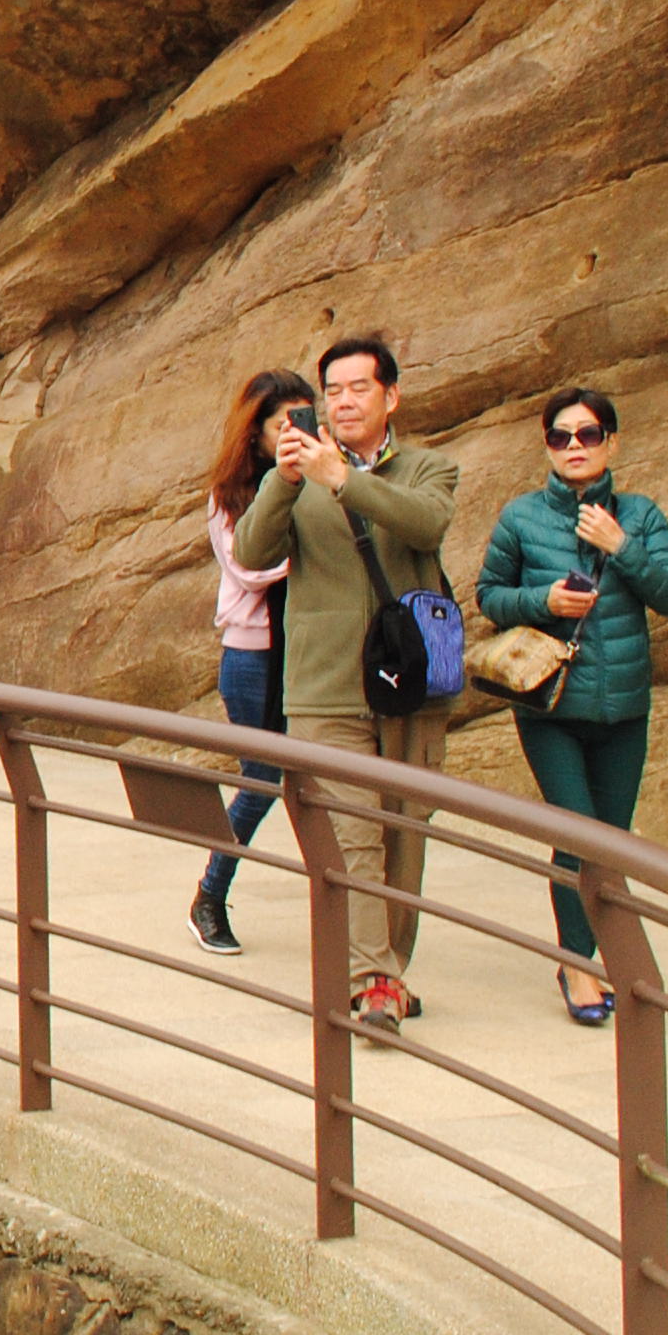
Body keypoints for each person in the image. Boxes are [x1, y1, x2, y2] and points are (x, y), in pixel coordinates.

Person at [233, 335, 458, 1040]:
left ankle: (387, 969)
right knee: (354, 839)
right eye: (333, 390)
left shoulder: (429, 467)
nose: (345, 401)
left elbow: (425, 523)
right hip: (326, 687)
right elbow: (251, 552)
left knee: (405, 837)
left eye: (360, 388)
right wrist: (285, 479)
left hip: (412, 687)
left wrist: (344, 478)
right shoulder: (295, 475)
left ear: (391, 396)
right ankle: (373, 982)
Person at [475, 387, 668, 1025]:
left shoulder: (640, 516)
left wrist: (622, 546)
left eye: (589, 434)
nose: (575, 446)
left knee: (611, 842)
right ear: (547, 446)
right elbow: (489, 595)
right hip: (550, 708)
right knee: (577, 833)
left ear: (611, 443)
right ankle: (577, 963)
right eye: (560, 436)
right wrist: (544, 600)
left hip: (623, 707)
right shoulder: (521, 518)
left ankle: (600, 955)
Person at [187, 369, 312, 957]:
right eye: (285, 423)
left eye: (306, 420)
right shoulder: (229, 493)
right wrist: (316, 557)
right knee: (262, 781)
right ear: (256, 430)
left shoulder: (322, 480)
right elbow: (249, 567)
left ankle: (344, 907)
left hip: (311, 651)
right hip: (254, 655)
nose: (297, 433)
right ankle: (209, 896)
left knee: (317, 784)